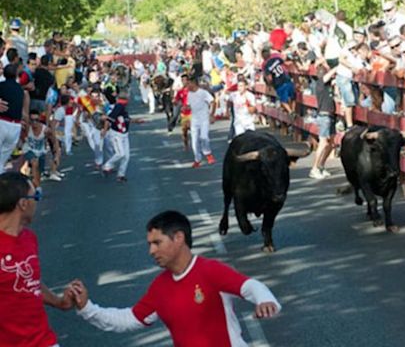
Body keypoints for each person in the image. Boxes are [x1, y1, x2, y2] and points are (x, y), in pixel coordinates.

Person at [69, 210, 281, 347]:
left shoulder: (210, 270)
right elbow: (129, 319)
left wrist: (265, 300)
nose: (151, 251)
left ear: (179, 238)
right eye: (149, 244)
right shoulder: (159, 287)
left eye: (157, 243)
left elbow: (249, 286)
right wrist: (87, 309)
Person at [0, 172, 75, 346]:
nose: (38, 202)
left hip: (43, 340)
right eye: (37, 196)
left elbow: (29, 282)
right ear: (23, 204)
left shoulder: (29, 238)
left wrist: (59, 302)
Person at [310, 59, 338, 179]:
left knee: (331, 143)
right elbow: (329, 76)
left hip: (330, 115)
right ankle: (314, 168)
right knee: (323, 143)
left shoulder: (327, 86)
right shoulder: (320, 84)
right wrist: (337, 67)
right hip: (324, 115)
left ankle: (321, 166)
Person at [0, 64, 27, 174]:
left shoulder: (1, 86)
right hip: (15, 125)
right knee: (3, 158)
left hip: (2, 121)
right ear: (16, 75)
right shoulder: (20, 90)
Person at [102, 92, 131, 182]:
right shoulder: (119, 106)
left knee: (126, 156)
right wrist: (105, 130)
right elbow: (109, 118)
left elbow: (125, 119)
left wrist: (136, 121)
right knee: (120, 153)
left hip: (125, 134)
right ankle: (107, 166)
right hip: (117, 134)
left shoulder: (122, 108)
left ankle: (121, 175)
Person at [187, 78, 216, 168]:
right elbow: (189, 106)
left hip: (204, 119)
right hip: (194, 120)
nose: (187, 86)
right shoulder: (189, 94)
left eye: (189, 84)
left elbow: (213, 102)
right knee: (194, 141)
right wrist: (186, 113)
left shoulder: (203, 93)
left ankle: (208, 153)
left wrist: (211, 114)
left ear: (194, 84)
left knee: (204, 137)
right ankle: (197, 159)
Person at [262, 48, 296, 115]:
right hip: (286, 79)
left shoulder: (266, 66)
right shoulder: (276, 59)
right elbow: (285, 63)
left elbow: (270, 78)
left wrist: (269, 84)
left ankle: (290, 112)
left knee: (283, 100)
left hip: (278, 83)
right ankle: (293, 109)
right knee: (293, 96)